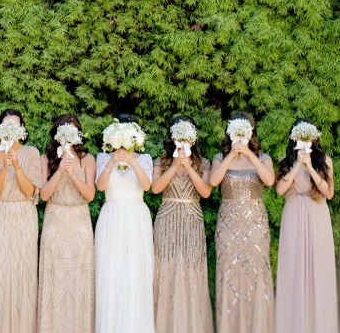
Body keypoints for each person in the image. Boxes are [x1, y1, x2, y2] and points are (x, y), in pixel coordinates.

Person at [209, 111, 275, 333]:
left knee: (256, 272)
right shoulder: (219, 157)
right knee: (229, 272)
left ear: (251, 132)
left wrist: (248, 153)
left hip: (256, 224)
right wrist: (232, 154)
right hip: (228, 224)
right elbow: (213, 181)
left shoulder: (264, 158)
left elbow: (269, 180)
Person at [152, 116, 213, 333]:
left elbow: (205, 192)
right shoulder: (161, 161)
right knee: (166, 268)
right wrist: (176, 164)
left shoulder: (203, 163)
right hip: (167, 217)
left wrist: (188, 166)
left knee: (191, 269)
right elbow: (156, 188)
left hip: (192, 218)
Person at [275, 118, 337, 333]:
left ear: (314, 137)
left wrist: (310, 167)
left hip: (317, 214)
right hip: (293, 214)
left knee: (318, 268)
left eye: (308, 136)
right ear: (294, 138)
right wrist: (297, 165)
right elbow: (280, 191)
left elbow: (328, 193)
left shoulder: (324, 161)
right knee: (294, 266)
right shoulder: (284, 160)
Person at [95, 113, 154, 333]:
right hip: (111, 216)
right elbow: (100, 187)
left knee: (135, 272)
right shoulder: (102, 158)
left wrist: (131, 161)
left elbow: (147, 186)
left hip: (136, 217)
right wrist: (112, 161)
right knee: (111, 274)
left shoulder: (145, 158)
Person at [0, 109, 42, 333]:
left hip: (25, 216)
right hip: (1, 214)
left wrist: (17, 164)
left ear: (22, 129)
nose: (10, 128)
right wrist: (5, 164)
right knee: (1, 271)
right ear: (0, 128)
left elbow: (30, 191)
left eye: (15, 124)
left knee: (24, 271)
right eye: (6, 124)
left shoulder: (32, 152)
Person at [38, 114, 95, 333]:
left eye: (73, 129)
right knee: (54, 281)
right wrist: (60, 170)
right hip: (55, 221)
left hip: (80, 223)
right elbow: (43, 195)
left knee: (79, 280)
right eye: (64, 129)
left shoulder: (88, 159)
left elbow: (90, 195)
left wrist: (72, 174)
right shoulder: (47, 158)